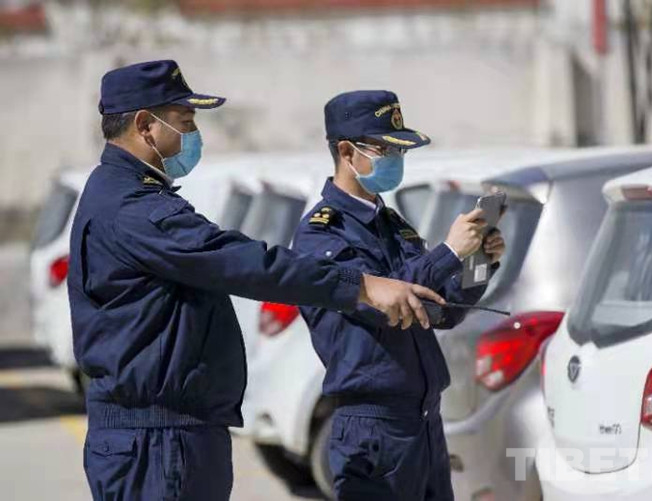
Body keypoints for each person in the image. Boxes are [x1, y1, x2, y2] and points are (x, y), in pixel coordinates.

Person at [69, 61, 445, 501]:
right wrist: (360, 285)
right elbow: (242, 261)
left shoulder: (124, 194)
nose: (194, 134)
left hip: (166, 434)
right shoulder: (133, 208)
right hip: (157, 440)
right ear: (144, 126)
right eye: (185, 122)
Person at [292, 90, 506, 500]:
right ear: (346, 152)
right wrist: (448, 251)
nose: (395, 159)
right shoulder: (321, 234)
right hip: (373, 427)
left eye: (399, 150)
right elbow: (383, 305)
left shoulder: (392, 224)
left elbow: (442, 310)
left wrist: (477, 261)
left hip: (423, 420)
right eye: (385, 149)